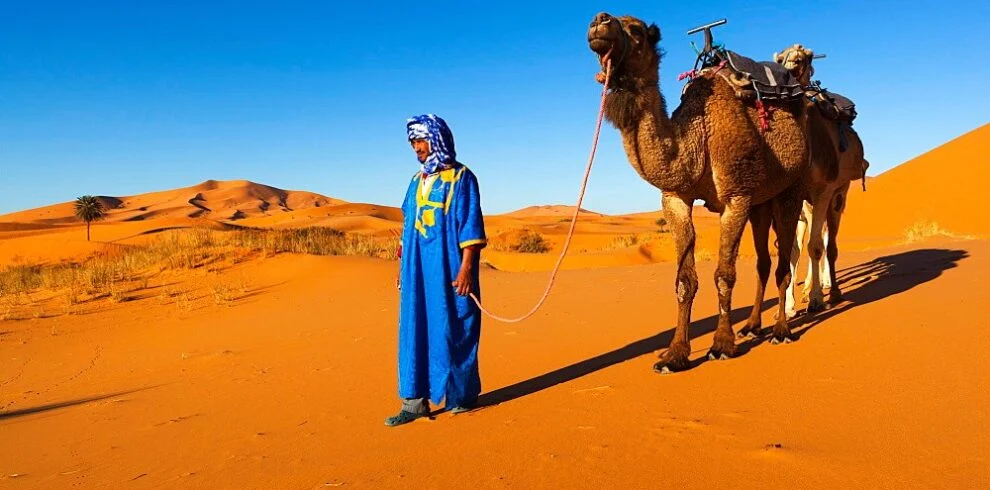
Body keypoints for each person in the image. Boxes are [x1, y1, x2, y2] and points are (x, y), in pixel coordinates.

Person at [386, 114, 487, 427]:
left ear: (437, 139)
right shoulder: (416, 181)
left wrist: (467, 268)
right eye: (413, 142)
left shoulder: (461, 178)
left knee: (456, 327)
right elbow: (408, 228)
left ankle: (461, 396)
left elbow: (470, 225)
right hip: (417, 270)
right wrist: (404, 267)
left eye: (421, 140)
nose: (417, 148)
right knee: (414, 329)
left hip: (451, 267)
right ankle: (414, 402)